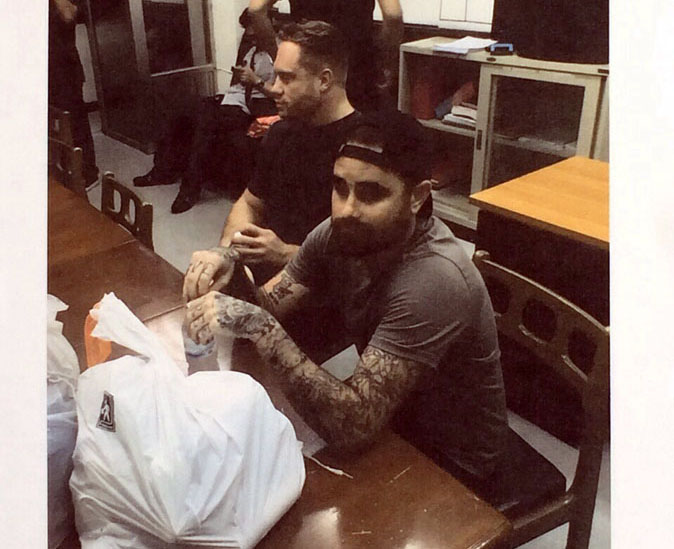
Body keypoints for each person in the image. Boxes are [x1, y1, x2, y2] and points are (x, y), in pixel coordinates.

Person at [185, 111, 509, 484]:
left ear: (418, 197)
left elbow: (352, 428)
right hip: (395, 416)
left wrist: (262, 327)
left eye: (372, 193)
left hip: (453, 456)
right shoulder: (338, 234)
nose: (347, 209)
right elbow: (269, 306)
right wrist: (232, 266)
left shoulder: (434, 279)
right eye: (340, 188)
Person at [183, 20, 360, 297]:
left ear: (324, 81)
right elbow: (250, 203)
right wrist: (225, 253)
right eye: (276, 76)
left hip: (323, 295)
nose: (275, 88)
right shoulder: (281, 132)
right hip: (265, 282)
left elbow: (364, 266)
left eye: (287, 78)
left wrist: (287, 254)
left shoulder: (364, 149)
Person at [133, 8, 278, 214]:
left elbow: (280, 93)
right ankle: (163, 171)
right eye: (247, 29)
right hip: (232, 98)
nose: (249, 33)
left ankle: (190, 190)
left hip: (253, 106)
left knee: (206, 123)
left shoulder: (278, 53)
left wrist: (255, 81)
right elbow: (237, 84)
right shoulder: (251, 49)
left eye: (253, 28)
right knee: (179, 112)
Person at [248, 0, 404, 112]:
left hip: (308, 64)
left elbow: (256, 10)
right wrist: (384, 63)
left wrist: (280, 57)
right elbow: (393, 15)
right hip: (357, 66)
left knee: (306, 137)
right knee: (360, 135)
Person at [49, 0, 98, 186]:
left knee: (75, 123)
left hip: (65, 72)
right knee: (55, 127)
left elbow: (69, 14)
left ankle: (87, 173)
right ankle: (65, 170)